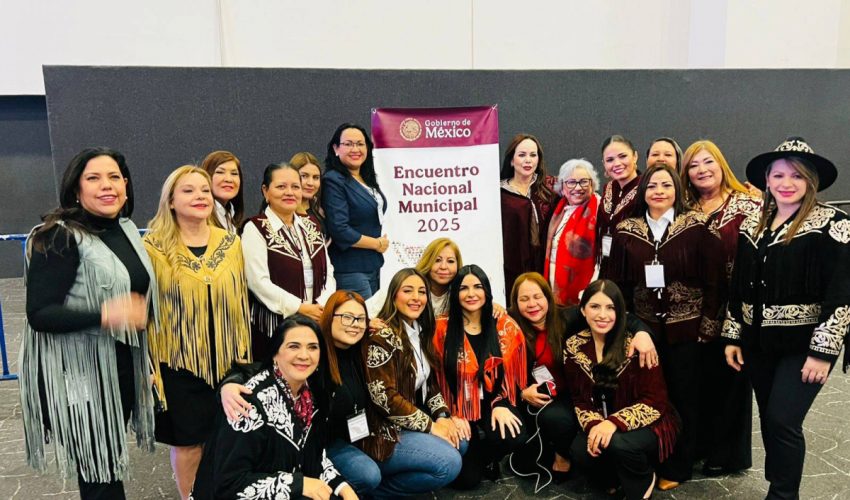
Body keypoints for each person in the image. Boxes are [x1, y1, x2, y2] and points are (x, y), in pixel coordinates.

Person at [19, 147, 155, 499]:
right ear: (76, 189)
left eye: (114, 177)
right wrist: (106, 315)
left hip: (118, 366)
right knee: (98, 472)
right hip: (76, 375)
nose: (106, 186)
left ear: (126, 185)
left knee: (107, 464)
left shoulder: (124, 229)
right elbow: (40, 314)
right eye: (93, 178)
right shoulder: (57, 235)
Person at [723, 137, 850, 499]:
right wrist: (733, 336)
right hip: (759, 344)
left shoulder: (833, 225)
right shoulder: (753, 224)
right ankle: (779, 485)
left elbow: (842, 294)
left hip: (803, 346)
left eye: (796, 175)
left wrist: (823, 352)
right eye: (778, 175)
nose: (786, 183)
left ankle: (783, 495)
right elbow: (738, 286)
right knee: (770, 418)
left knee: (783, 419)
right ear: (767, 179)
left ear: (811, 180)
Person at [603, 163, 725, 490]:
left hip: (688, 331)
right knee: (647, 396)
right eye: (652, 185)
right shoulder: (626, 230)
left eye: (666, 185)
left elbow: (716, 280)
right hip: (644, 332)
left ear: (677, 191)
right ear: (643, 192)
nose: (659, 191)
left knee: (685, 398)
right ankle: (647, 460)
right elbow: (616, 285)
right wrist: (626, 327)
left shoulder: (698, 225)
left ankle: (679, 465)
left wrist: (709, 326)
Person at [144, 165, 251, 500]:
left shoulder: (230, 243)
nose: (200, 196)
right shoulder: (153, 247)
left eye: (204, 190)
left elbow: (240, 301)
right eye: (188, 191)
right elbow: (147, 311)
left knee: (222, 438)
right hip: (178, 360)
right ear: (171, 201)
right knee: (188, 443)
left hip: (226, 359)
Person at [506, 272, 658, 492]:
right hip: (536, 396)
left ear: (548, 297)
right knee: (544, 428)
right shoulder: (511, 327)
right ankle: (563, 454)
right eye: (524, 299)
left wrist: (643, 332)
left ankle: (568, 455)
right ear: (515, 303)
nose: (532, 304)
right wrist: (522, 392)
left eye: (537, 296)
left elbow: (621, 316)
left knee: (563, 422)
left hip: (576, 392)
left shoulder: (569, 317)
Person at [190, 315, 357, 500]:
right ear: (275, 354)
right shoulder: (247, 403)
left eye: (313, 347)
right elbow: (228, 484)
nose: (304, 355)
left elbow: (316, 457)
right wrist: (298, 484)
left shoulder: (312, 395)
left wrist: (342, 487)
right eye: (293, 346)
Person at [681, 139, 760, 474]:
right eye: (694, 165)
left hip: (736, 307)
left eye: (707, 162)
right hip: (695, 312)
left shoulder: (749, 202)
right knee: (700, 382)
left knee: (732, 380)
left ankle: (728, 454)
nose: (702, 170)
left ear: (721, 164)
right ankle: (700, 444)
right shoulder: (685, 208)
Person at [565, 280, 678, 500]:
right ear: (583, 310)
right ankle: (613, 478)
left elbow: (656, 400)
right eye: (595, 307)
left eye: (610, 307)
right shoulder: (573, 345)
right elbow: (579, 398)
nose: (602, 315)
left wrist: (613, 423)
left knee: (618, 443)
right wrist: (595, 425)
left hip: (652, 421)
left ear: (621, 311)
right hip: (603, 420)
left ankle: (644, 479)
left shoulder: (638, 345)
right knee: (580, 450)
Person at [362, 268, 465, 493]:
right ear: (393, 296)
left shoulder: (421, 330)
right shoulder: (381, 336)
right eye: (407, 290)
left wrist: (443, 416)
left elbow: (430, 382)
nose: (416, 298)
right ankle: (379, 493)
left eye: (421, 292)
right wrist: (431, 426)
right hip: (382, 432)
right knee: (450, 463)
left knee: (461, 441)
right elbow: (384, 398)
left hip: (408, 422)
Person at [433, 265, 529, 488]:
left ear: (486, 290)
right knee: (467, 481)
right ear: (455, 293)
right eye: (463, 288)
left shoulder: (505, 325)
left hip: (492, 400)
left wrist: (501, 402)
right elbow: (433, 378)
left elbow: (513, 376)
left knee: (514, 436)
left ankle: (487, 453)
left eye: (478, 286)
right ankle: (473, 443)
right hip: (456, 404)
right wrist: (450, 414)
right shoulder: (440, 328)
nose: (471, 294)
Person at [242, 163, 330, 359]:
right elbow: (258, 281)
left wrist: (321, 306)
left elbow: (328, 272)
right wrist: (298, 307)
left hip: (316, 318)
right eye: (281, 187)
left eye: (295, 187)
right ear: (265, 191)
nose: (289, 193)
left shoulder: (312, 225)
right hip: (275, 325)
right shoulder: (255, 228)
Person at [322, 123, 389, 299]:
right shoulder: (333, 180)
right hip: (350, 269)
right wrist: (376, 244)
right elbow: (340, 229)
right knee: (361, 323)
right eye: (349, 144)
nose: (355, 149)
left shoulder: (366, 179)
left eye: (360, 144)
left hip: (372, 266)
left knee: (373, 321)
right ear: (336, 148)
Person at [500, 133, 556, 292]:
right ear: (512, 160)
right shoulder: (499, 194)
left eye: (533, 155)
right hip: (511, 267)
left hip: (544, 265)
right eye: (522, 155)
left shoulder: (550, 190)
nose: (528, 160)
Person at [545, 158, 601, 306]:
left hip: (585, 295)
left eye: (583, 181)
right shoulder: (559, 210)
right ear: (562, 187)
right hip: (554, 293)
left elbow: (603, 257)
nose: (577, 187)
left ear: (592, 184)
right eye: (571, 182)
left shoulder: (600, 209)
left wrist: (591, 291)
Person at [597, 135, 642, 274]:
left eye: (623, 156)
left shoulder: (647, 189)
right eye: (610, 160)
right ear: (604, 164)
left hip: (634, 267)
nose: (616, 164)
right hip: (607, 263)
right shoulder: (608, 188)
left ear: (635, 157)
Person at [200, 150, 244, 233]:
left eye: (234, 173)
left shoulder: (230, 214)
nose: (228, 179)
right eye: (220, 172)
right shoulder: (199, 217)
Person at [290, 151, 326, 232]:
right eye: (304, 176)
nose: (310, 183)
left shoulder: (320, 210)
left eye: (316, 177)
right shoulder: (283, 213)